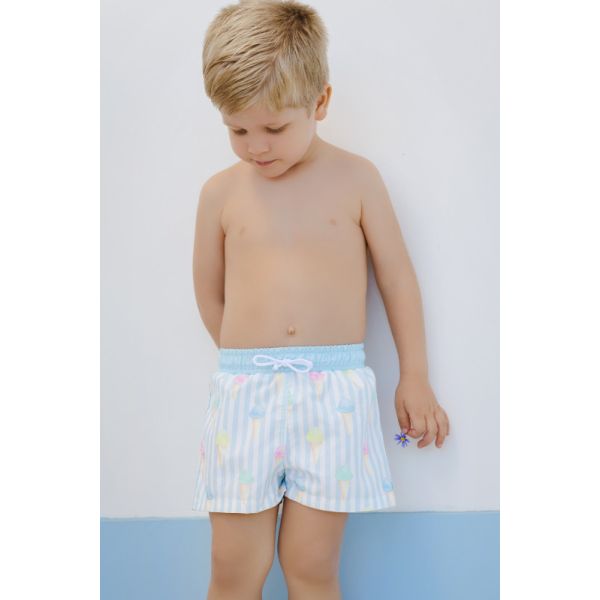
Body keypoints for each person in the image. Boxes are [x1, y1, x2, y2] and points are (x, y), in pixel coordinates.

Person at [191, 1, 450, 598]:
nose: (255, 147)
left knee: (311, 565)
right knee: (234, 567)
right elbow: (208, 289)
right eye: (237, 130)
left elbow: (397, 279)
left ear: (320, 102)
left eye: (274, 128)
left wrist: (414, 375)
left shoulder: (357, 179)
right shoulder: (220, 194)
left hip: (334, 397)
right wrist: (242, 359)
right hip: (245, 395)